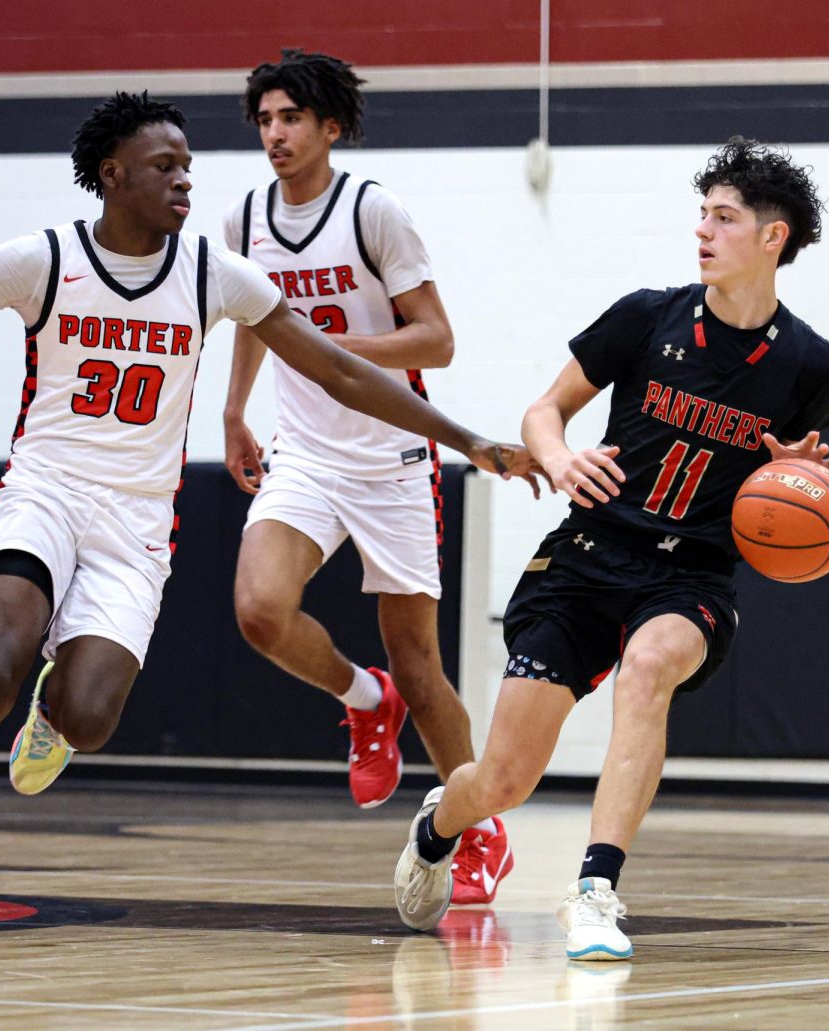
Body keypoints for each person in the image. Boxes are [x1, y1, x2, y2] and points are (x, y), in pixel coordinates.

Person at [0, 91, 534, 935]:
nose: (184, 180)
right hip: (45, 492)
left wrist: (472, 439)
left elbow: (339, 371)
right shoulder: (43, 258)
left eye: (188, 166)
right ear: (113, 175)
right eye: (164, 166)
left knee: (90, 718)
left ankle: (56, 713)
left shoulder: (214, 270)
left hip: (136, 526)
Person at [393, 137, 829, 958]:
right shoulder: (647, 315)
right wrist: (560, 457)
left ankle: (595, 891)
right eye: (701, 214)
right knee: (504, 780)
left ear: (772, 239)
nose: (703, 231)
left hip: (692, 574)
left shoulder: (811, 364)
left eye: (724, 217)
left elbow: (782, 489)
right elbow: (544, 409)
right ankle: (438, 824)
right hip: (590, 554)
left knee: (647, 672)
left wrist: (790, 482)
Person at [221, 50, 526, 905]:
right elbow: (252, 318)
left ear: (330, 127)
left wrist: (338, 353)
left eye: (291, 118)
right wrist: (235, 409)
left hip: (392, 453)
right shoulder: (244, 215)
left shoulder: (372, 211)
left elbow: (436, 339)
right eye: (265, 120)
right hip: (306, 452)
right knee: (258, 610)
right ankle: (362, 699)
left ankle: (479, 827)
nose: (275, 134)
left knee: (421, 662)